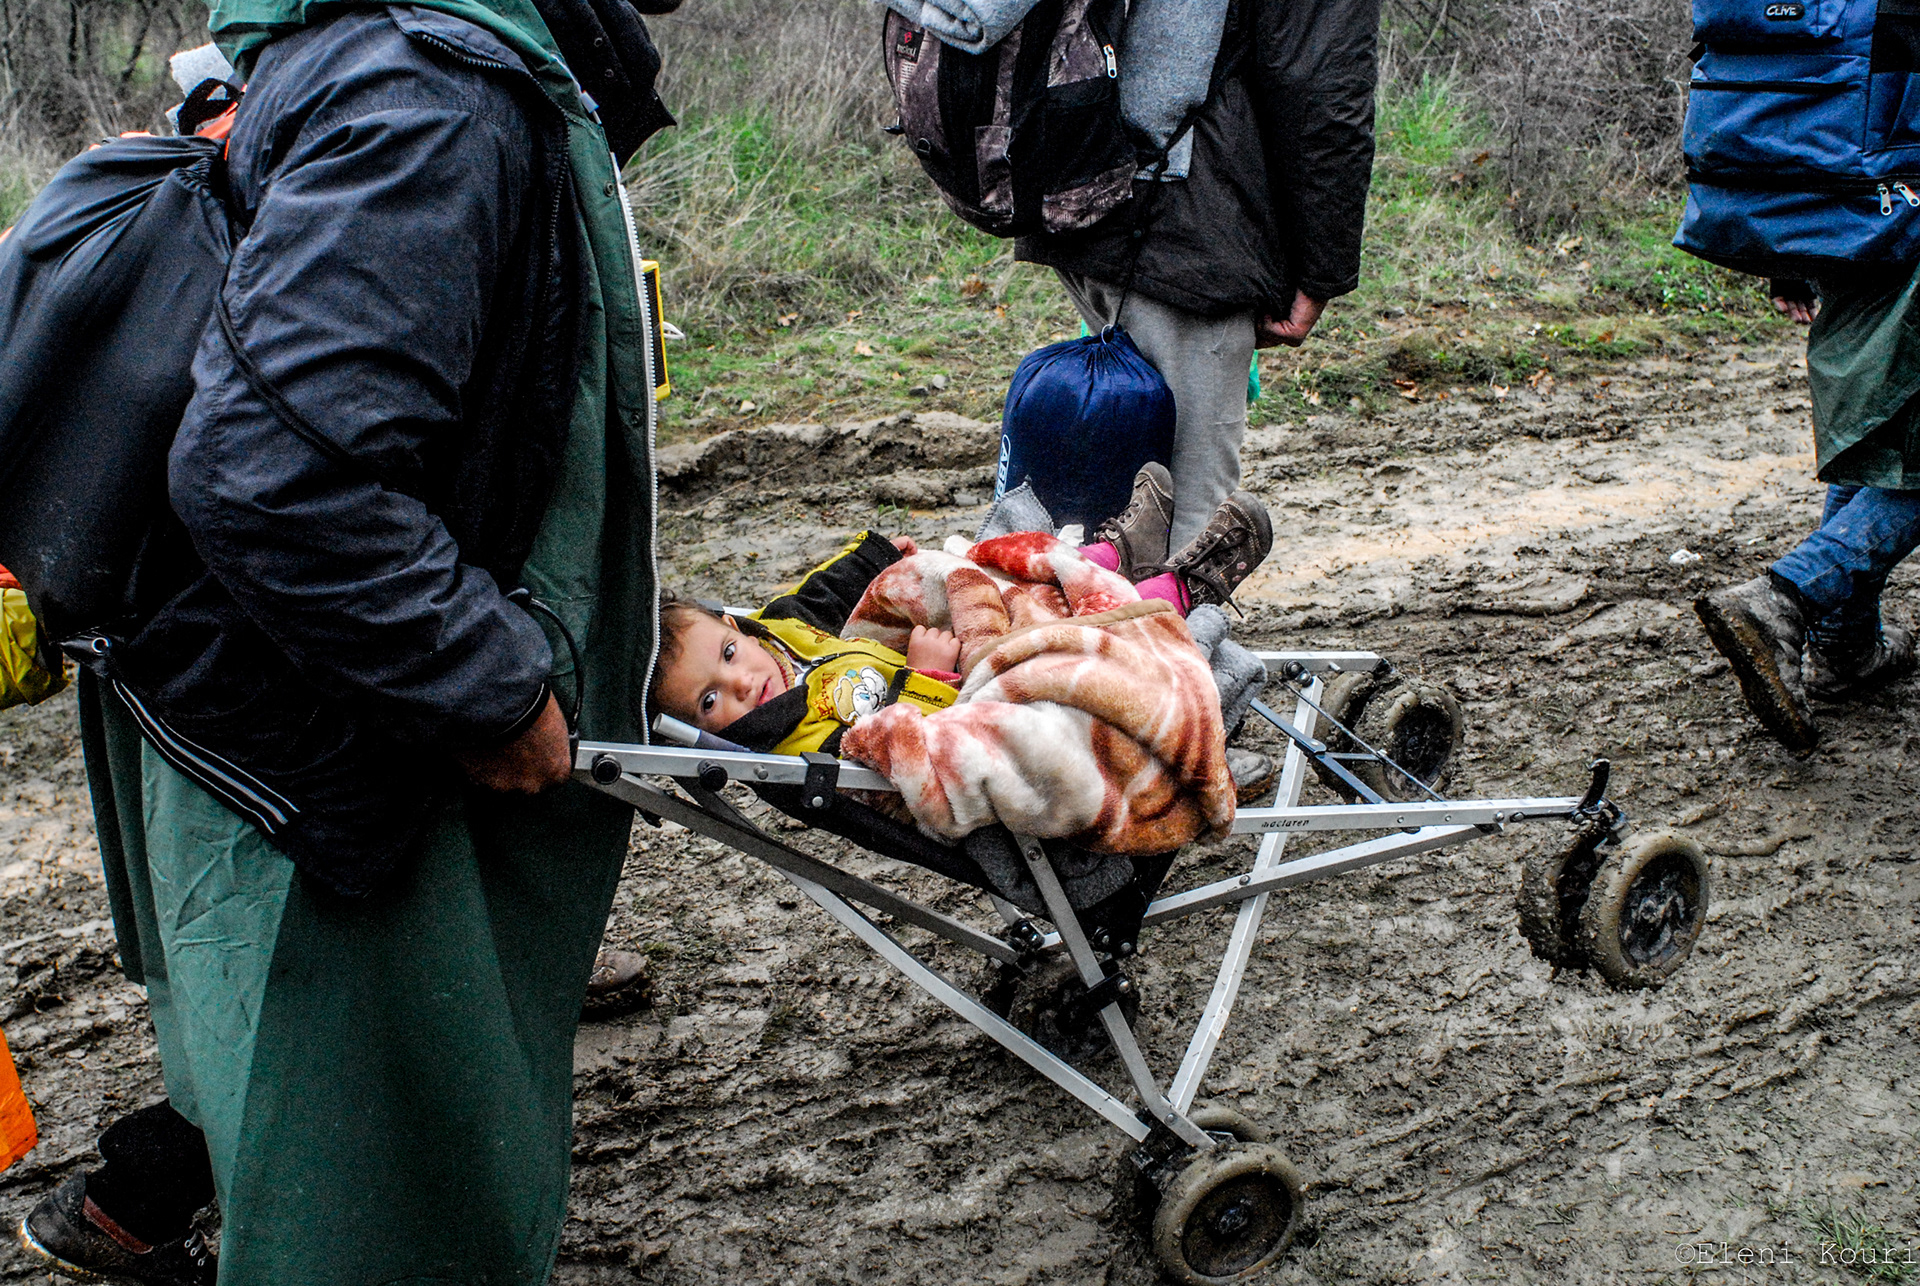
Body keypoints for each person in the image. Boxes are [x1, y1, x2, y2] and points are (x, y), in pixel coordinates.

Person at [16, 0, 673, 1279]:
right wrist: (486, 688)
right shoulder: (431, 95)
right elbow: (274, 472)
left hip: (282, 718)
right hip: (344, 767)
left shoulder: (392, 57)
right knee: (382, 1216)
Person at [652, 467, 1278, 801]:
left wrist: (874, 558)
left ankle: (1098, 562)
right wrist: (929, 677)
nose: (740, 684)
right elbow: (917, 748)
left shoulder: (776, 640)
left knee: (967, 572)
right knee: (1044, 640)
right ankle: (1169, 593)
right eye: (710, 702)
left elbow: (808, 600)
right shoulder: (797, 743)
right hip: (972, 693)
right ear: (702, 732)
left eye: (729, 654)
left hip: (956, 656)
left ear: (736, 627)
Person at [1011, 0, 1379, 550]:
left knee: (1111, 485)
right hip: (1187, 226)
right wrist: (1320, 273)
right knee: (1187, 527)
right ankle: (1164, 630)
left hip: (1081, 193)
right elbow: (1324, 95)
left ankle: (1099, 621)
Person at [1695, 277, 1918, 752]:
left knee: (1885, 435)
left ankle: (1842, 645)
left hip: (1866, 266)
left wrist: (1792, 268)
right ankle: (1787, 595)